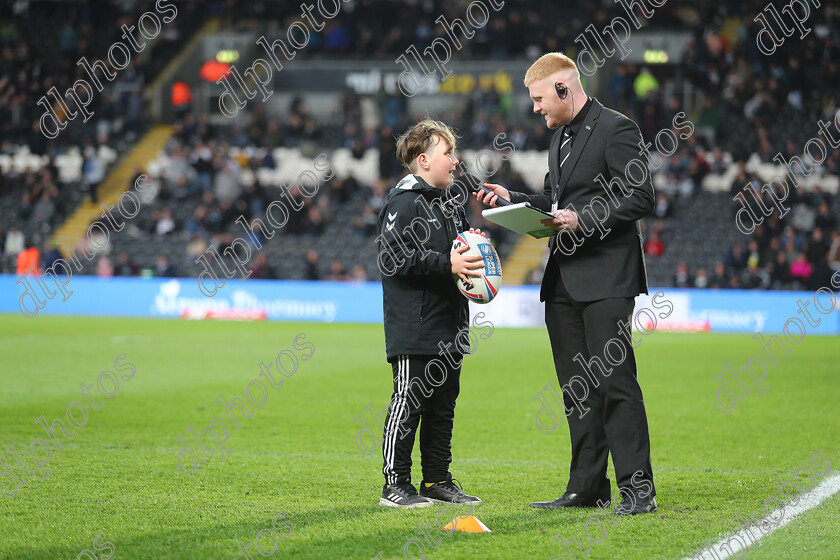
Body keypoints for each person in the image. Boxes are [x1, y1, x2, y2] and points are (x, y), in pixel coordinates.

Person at [476, 53, 657, 514]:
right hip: (562, 283)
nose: (535, 108)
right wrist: (512, 199)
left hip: (607, 278)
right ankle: (587, 487)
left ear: (563, 88)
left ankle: (638, 490)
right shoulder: (560, 139)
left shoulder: (617, 127)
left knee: (616, 383)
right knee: (577, 389)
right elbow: (558, 204)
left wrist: (582, 219)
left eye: (539, 98)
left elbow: (639, 195)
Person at [376, 119, 484, 509]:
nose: (455, 161)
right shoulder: (404, 202)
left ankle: (437, 479)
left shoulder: (449, 203)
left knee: (442, 407)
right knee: (409, 401)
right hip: (416, 325)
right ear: (423, 160)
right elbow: (393, 258)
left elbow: (458, 254)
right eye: (448, 154)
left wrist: (475, 251)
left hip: (450, 323)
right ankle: (395, 485)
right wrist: (448, 263)